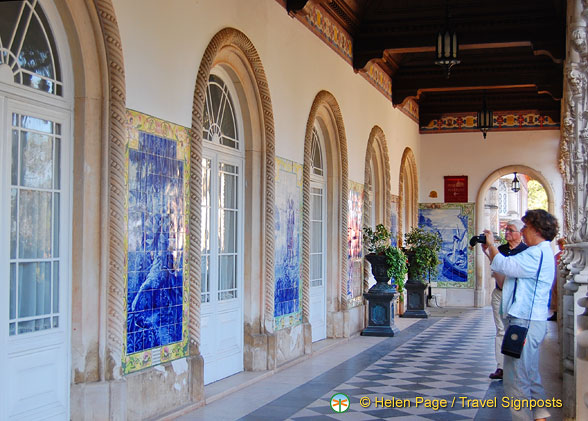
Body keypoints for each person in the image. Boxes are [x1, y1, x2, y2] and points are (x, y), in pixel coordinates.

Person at [482, 209, 558, 421]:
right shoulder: (541, 251)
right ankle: (540, 415)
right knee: (530, 373)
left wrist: (491, 245)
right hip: (529, 321)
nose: (523, 232)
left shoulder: (536, 253)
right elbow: (506, 276)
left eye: (526, 227)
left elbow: (506, 266)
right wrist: (490, 251)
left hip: (524, 322)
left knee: (516, 379)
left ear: (537, 229)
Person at [483, 219, 527, 380]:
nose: (507, 232)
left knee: (518, 329)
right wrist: (488, 251)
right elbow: (497, 271)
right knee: (501, 330)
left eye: (511, 230)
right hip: (500, 293)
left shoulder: (526, 251)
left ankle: (517, 365)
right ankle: (501, 366)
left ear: (520, 233)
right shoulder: (500, 249)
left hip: (517, 294)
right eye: (506, 229)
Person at [547, 238, 565, 321]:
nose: (560, 246)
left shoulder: (562, 254)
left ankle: (557, 311)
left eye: (561, 244)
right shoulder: (558, 254)